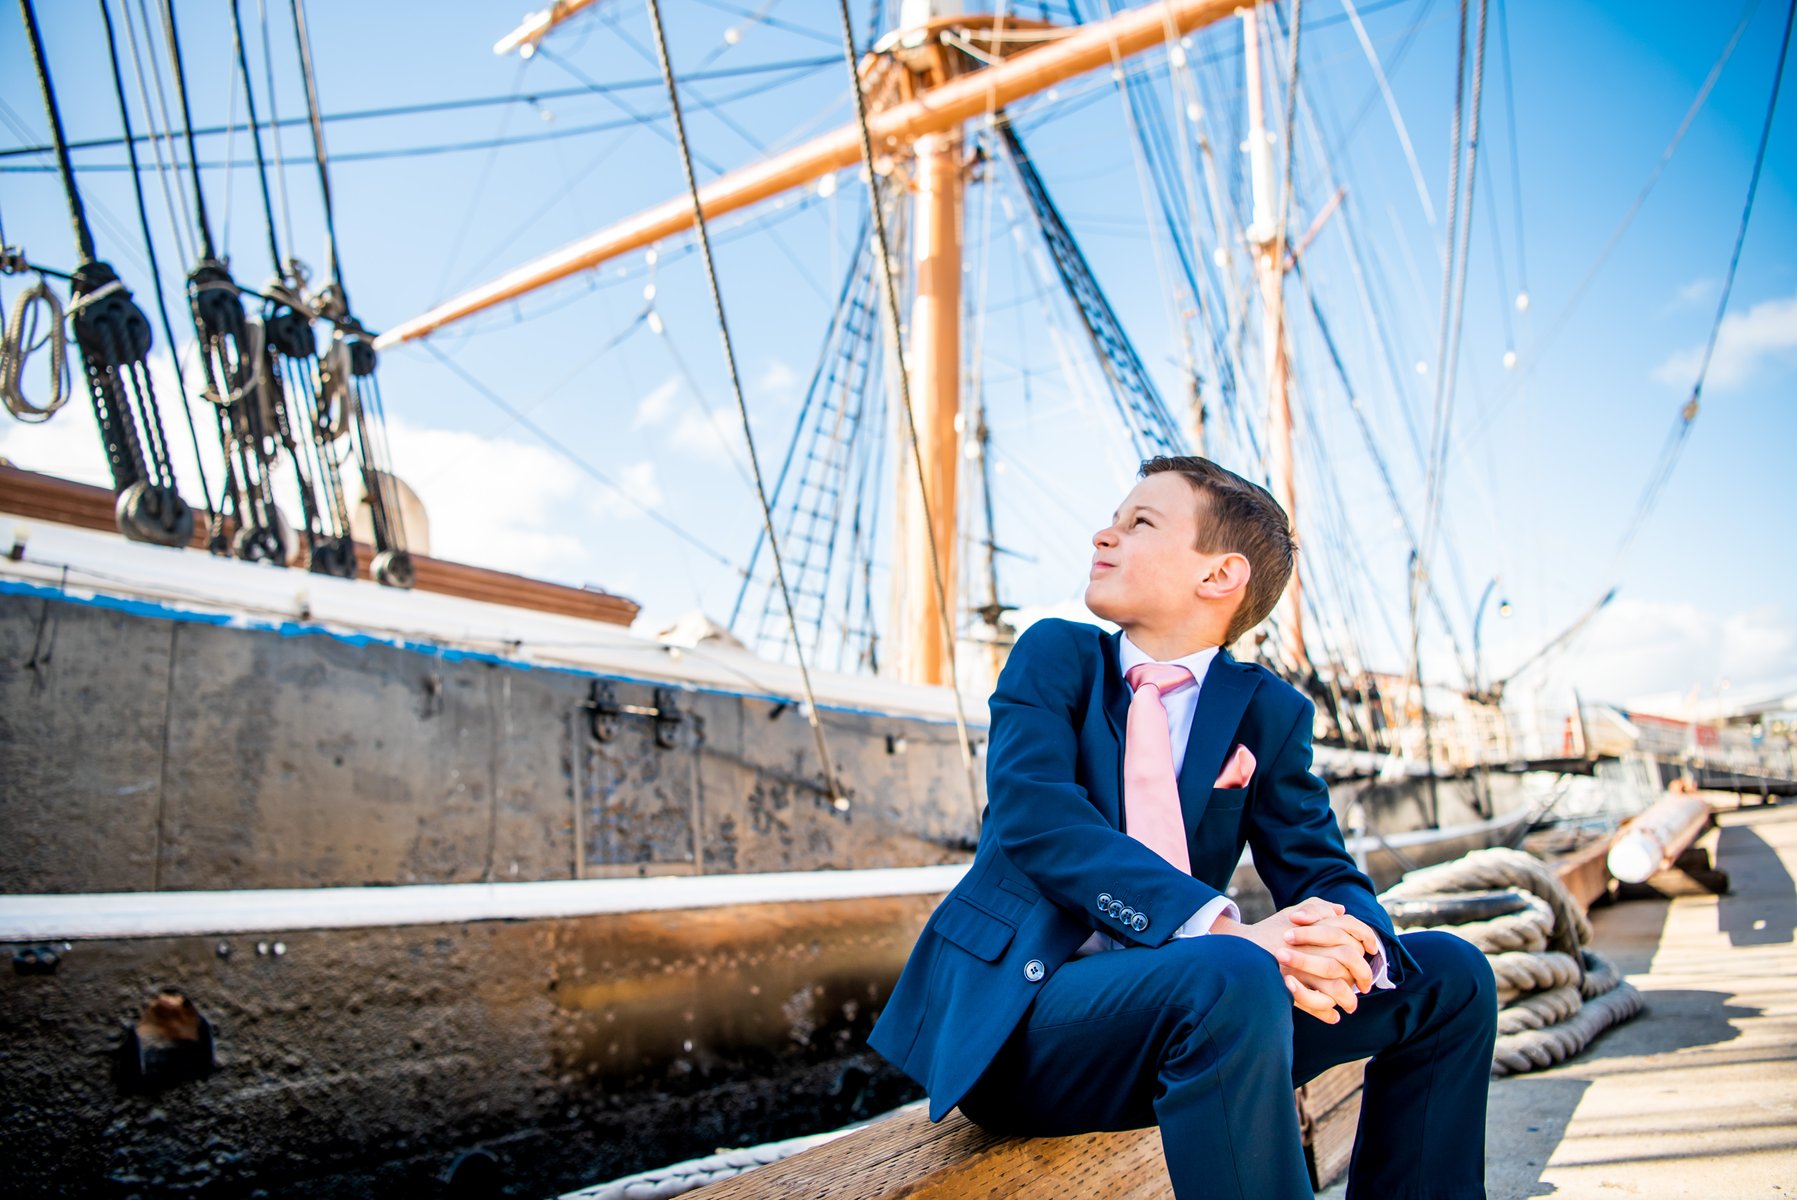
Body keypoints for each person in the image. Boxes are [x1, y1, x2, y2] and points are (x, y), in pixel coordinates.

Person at [867, 455, 1497, 1199]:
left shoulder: (1269, 711)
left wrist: (1349, 949)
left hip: (1210, 1014)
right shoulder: (1055, 656)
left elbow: (1319, 868)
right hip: (1030, 1022)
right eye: (1114, 518)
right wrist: (1224, 929)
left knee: (1450, 975)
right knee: (1229, 972)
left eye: (1139, 523)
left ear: (1219, 576)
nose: (1104, 534)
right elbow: (1036, 819)